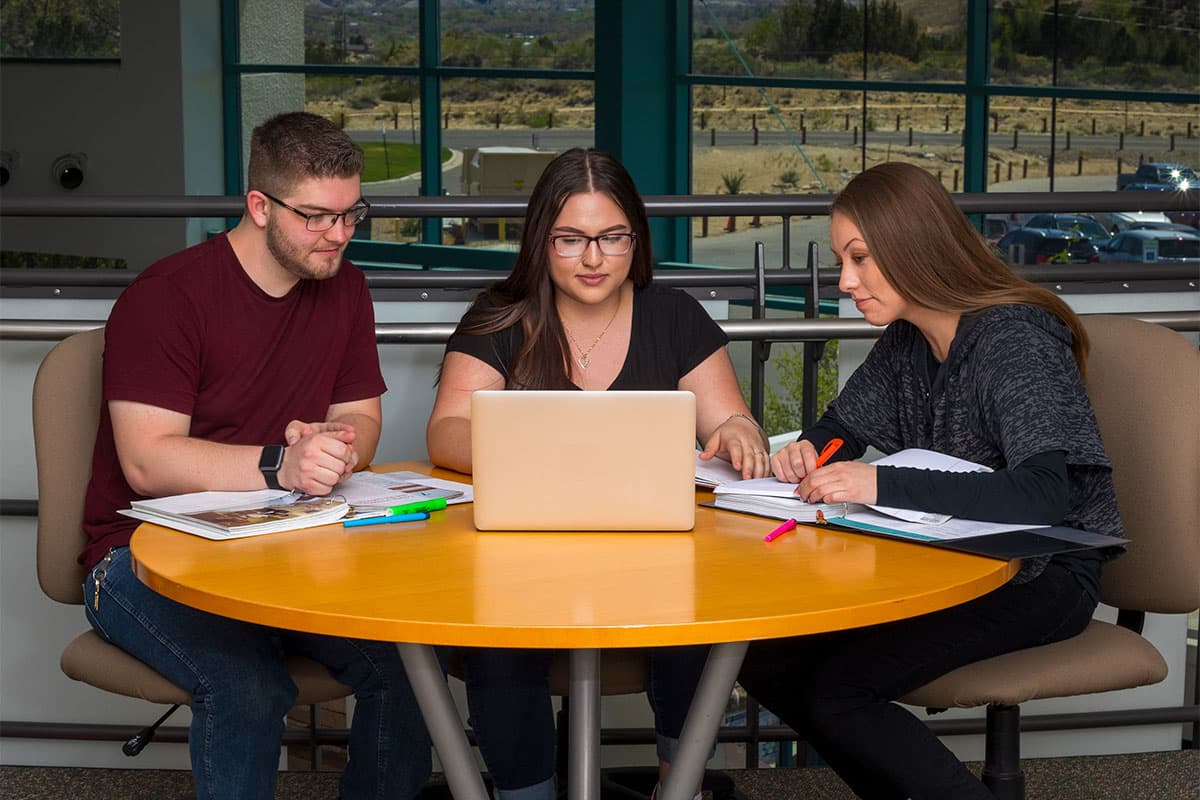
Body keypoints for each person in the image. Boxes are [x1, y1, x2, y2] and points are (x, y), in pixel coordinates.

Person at [737, 161, 1125, 800]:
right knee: (767, 662)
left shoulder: (1015, 342)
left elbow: (1045, 495)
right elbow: (841, 428)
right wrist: (810, 449)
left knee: (840, 691)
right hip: (951, 559)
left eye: (860, 259)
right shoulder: (907, 341)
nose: (845, 281)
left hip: (1045, 570)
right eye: (842, 260)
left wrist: (878, 485)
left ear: (914, 248)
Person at [80, 111, 431, 800]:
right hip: (140, 555)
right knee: (246, 686)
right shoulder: (168, 297)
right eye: (316, 217)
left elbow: (359, 413)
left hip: (285, 545)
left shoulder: (345, 285)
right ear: (259, 206)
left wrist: (334, 445)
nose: (339, 235)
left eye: (352, 213)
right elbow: (146, 463)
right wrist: (280, 464)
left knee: (407, 665)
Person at [426, 147, 771, 800]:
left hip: (648, 562)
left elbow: (734, 422)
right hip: (521, 561)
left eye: (612, 238)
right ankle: (524, 793)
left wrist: (737, 431)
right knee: (499, 640)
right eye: (571, 239)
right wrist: (535, 447)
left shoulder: (673, 317)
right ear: (541, 240)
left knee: (696, 609)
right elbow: (446, 432)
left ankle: (681, 779)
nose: (593, 259)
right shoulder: (500, 315)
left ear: (634, 239)